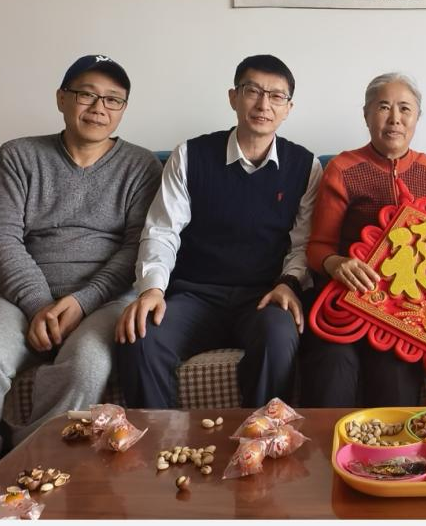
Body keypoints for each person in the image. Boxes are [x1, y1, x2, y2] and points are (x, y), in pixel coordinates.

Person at [0, 54, 162, 497]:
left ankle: (34, 472)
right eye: (87, 94)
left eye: (113, 100)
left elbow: (136, 247)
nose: (99, 108)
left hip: (104, 299)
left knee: (88, 365)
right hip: (20, 297)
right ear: (62, 98)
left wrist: (81, 302)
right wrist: (38, 303)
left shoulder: (141, 166)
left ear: (123, 109)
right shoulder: (19, 155)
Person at [114, 54, 321, 408]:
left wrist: (289, 283)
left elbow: (303, 243)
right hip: (195, 295)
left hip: (262, 296)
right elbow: (162, 230)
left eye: (276, 96)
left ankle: (267, 436)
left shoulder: (305, 165)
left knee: (278, 335)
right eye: (252, 91)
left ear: (288, 108)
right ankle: (159, 440)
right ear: (233, 97)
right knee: (141, 337)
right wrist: (152, 289)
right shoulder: (190, 155)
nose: (264, 104)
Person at [299, 72, 426, 407]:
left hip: (405, 310)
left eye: (405, 109)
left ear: (417, 117)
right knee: (333, 365)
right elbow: (318, 247)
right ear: (367, 114)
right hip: (346, 298)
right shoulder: (343, 168)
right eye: (384, 107)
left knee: (395, 371)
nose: (395, 118)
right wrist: (337, 264)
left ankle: (395, 443)